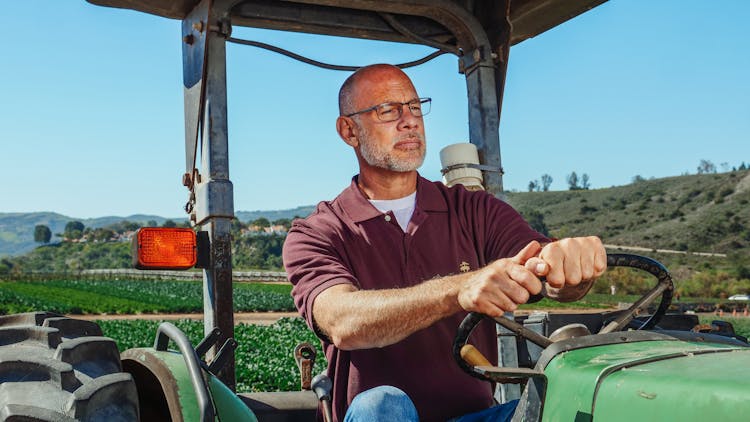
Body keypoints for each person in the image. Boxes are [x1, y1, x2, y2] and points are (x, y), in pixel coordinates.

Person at [282, 64, 606, 422]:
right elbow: (341, 320)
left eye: (415, 107)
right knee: (382, 404)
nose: (410, 121)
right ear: (349, 130)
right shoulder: (319, 231)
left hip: (475, 417)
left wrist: (570, 266)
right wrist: (458, 290)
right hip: (377, 417)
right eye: (389, 110)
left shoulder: (474, 210)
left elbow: (542, 266)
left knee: (571, 406)